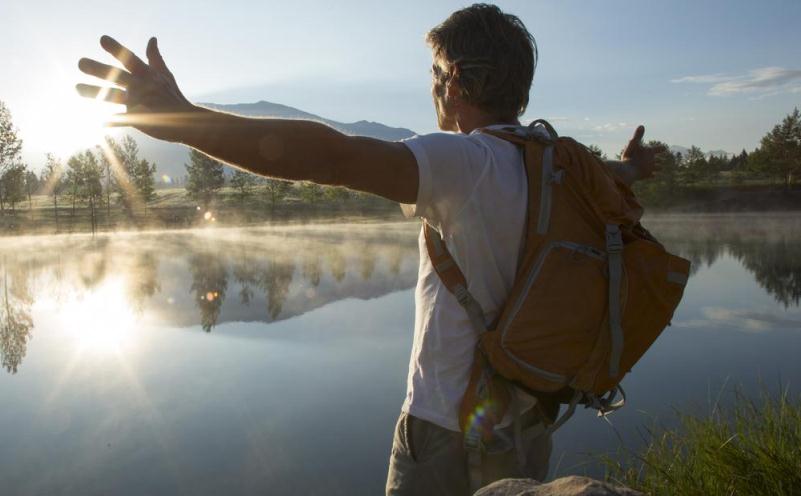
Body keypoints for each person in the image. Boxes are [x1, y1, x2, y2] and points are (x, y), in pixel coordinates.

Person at [76, 4, 658, 494]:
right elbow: (615, 175)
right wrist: (633, 167)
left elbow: (332, 156)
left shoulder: (465, 163)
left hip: (445, 433)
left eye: (435, 73)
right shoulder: (562, 161)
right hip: (529, 424)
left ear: (453, 81)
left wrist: (182, 121)